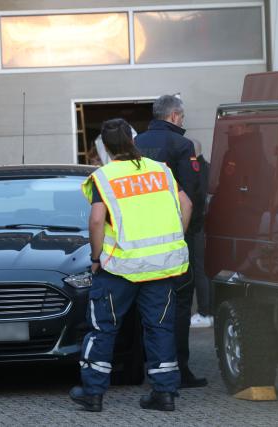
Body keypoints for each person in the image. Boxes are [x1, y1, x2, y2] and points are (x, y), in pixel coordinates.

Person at [69, 118, 192, 412]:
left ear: (106, 147)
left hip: (118, 269)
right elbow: (186, 204)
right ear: (133, 140)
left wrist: (97, 258)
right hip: (161, 267)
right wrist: (176, 238)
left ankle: (93, 393)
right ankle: (164, 394)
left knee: (103, 328)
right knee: (160, 327)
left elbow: (97, 219)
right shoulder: (160, 170)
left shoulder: (105, 176)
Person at [134, 95, 207, 388]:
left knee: (145, 305)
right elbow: (190, 194)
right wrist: (192, 230)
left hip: (138, 239)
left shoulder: (136, 143)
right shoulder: (181, 146)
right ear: (175, 116)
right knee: (178, 305)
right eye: (183, 117)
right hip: (174, 238)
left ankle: (147, 367)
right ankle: (179, 370)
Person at [189, 139, 213, 328]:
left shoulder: (195, 170)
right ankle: (207, 310)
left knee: (199, 269)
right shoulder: (209, 167)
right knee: (205, 268)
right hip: (208, 224)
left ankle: (205, 312)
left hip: (197, 225)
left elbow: (195, 199)